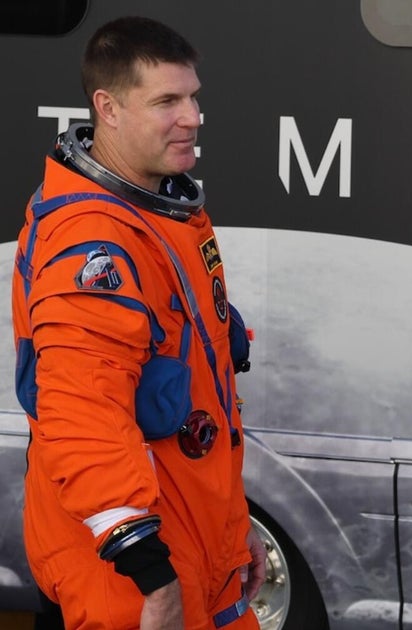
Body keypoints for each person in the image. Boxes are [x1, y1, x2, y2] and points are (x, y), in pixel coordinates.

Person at [11, 16, 263, 629]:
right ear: (109, 108)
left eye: (193, 97)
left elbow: (205, 404)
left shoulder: (161, 218)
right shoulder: (94, 244)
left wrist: (235, 527)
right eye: (166, 101)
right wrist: (149, 571)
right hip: (129, 580)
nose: (192, 117)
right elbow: (83, 415)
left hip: (195, 543)